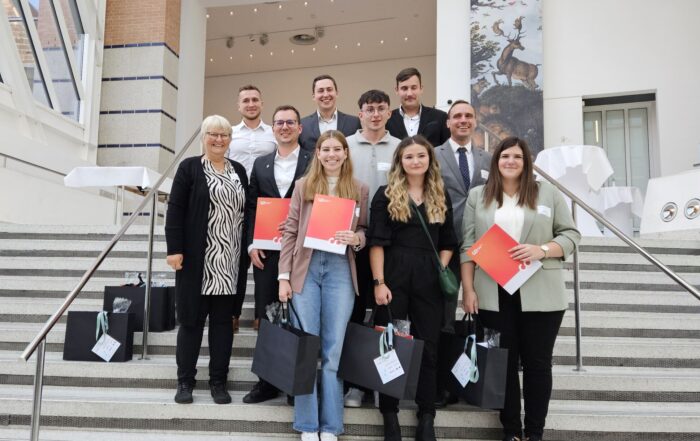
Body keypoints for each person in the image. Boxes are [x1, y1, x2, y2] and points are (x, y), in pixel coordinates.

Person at [460, 137, 581, 441]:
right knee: (504, 364)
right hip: (494, 291)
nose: (511, 161)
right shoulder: (479, 196)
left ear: (527, 162)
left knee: (538, 363)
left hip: (541, 292)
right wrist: (468, 289)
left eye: (517, 156)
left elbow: (571, 235)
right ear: (496, 161)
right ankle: (512, 431)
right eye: (505, 156)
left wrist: (541, 249)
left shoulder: (547, 193)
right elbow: (468, 246)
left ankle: (535, 433)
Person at [278, 130, 369, 441]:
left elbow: (364, 230)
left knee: (333, 351)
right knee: (308, 349)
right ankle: (307, 424)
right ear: (317, 153)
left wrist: (357, 239)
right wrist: (283, 277)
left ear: (346, 153)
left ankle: (330, 426)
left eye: (337, 149)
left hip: (340, 271)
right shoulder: (304, 186)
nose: (332, 154)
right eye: (325, 149)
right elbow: (290, 232)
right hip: (307, 268)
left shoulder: (359, 188)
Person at [368, 135, 457, 441]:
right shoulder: (385, 194)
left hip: (428, 281)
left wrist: (441, 267)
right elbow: (376, 243)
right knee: (390, 347)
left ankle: (427, 415)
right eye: (409, 157)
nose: (415, 161)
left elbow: (449, 242)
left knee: (428, 347)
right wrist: (379, 283)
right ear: (400, 161)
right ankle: (390, 415)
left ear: (429, 160)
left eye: (421, 155)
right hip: (393, 278)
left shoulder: (439, 194)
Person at [165, 115, 249, 405]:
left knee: (223, 325)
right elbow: (174, 210)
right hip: (197, 261)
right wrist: (174, 249)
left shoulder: (238, 170)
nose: (218, 139)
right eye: (213, 134)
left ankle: (218, 382)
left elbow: (246, 213)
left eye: (224, 135)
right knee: (191, 322)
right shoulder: (189, 168)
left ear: (230, 139)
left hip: (229, 260)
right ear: (203, 137)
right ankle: (185, 381)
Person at [242, 105, 312, 404]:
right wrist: (251, 244)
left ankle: (297, 383)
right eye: (279, 122)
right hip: (267, 252)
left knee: (301, 315)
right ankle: (267, 382)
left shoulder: (314, 161)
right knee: (268, 314)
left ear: (300, 128)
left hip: (304, 249)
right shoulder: (260, 164)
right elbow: (252, 206)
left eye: (290, 122)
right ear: (273, 129)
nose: (284, 126)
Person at [343, 89, 400, 408]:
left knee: (385, 313)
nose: (375, 114)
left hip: (390, 241)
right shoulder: (347, 146)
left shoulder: (401, 147)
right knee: (352, 314)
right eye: (369, 109)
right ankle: (354, 385)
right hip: (352, 239)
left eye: (380, 109)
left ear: (389, 113)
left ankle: (382, 382)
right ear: (359, 113)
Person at [434, 99, 492, 407]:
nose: (463, 120)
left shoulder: (488, 158)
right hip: (446, 246)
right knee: (444, 316)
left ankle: (476, 380)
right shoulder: (433, 156)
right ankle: (445, 385)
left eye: (469, 116)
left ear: (475, 120)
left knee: (480, 314)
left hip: (482, 248)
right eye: (457, 116)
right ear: (448, 122)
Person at [227, 85, 277, 332]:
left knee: (263, 261)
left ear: (262, 103)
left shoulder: (273, 132)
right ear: (239, 105)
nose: (250, 104)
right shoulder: (230, 133)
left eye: (255, 99)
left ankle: (261, 315)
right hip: (234, 201)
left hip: (264, 203)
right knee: (237, 260)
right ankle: (233, 313)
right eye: (245, 100)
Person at [385, 67, 450, 147]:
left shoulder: (440, 117)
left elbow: (446, 151)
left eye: (413, 88)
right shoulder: (386, 120)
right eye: (404, 88)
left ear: (421, 89)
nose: (409, 93)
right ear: (396, 90)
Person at [299, 74, 361, 151]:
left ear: (337, 93)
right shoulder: (303, 125)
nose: (325, 94)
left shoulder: (354, 123)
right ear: (313, 96)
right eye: (320, 91)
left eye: (329, 89)